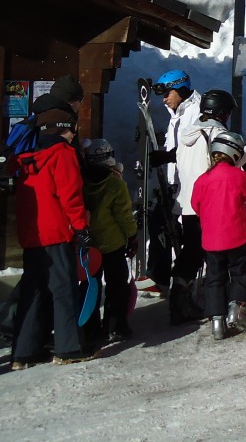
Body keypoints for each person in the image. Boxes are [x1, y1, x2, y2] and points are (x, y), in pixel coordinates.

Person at [10, 75, 94, 368]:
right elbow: (71, 197)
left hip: (31, 234)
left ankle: (23, 352)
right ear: (62, 128)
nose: (73, 134)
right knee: (63, 290)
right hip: (57, 233)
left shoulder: (26, 158)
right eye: (70, 129)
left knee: (33, 291)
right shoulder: (62, 155)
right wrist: (81, 228)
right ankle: (68, 347)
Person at [169, 88, 235, 325]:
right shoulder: (217, 133)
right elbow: (225, 164)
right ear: (221, 113)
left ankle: (179, 300)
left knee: (191, 253)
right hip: (208, 204)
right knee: (216, 255)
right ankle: (218, 304)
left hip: (187, 203)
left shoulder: (188, 133)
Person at [191, 129, 246, 341]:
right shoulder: (239, 176)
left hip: (212, 239)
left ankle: (216, 321)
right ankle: (237, 308)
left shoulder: (203, 179)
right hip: (235, 234)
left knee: (214, 278)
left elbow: (196, 204)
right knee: (239, 272)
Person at [145, 69, 201, 295]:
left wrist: (168, 156)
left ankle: (182, 279)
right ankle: (160, 277)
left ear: (180, 89)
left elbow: (195, 146)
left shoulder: (196, 110)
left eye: (167, 92)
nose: (164, 98)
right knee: (159, 223)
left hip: (191, 185)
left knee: (191, 235)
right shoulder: (177, 112)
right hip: (174, 183)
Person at [80, 138, 137, 345]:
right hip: (113, 243)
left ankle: (91, 327)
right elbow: (124, 214)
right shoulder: (114, 183)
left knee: (90, 284)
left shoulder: (82, 181)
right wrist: (132, 236)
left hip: (90, 244)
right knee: (116, 286)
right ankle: (115, 325)